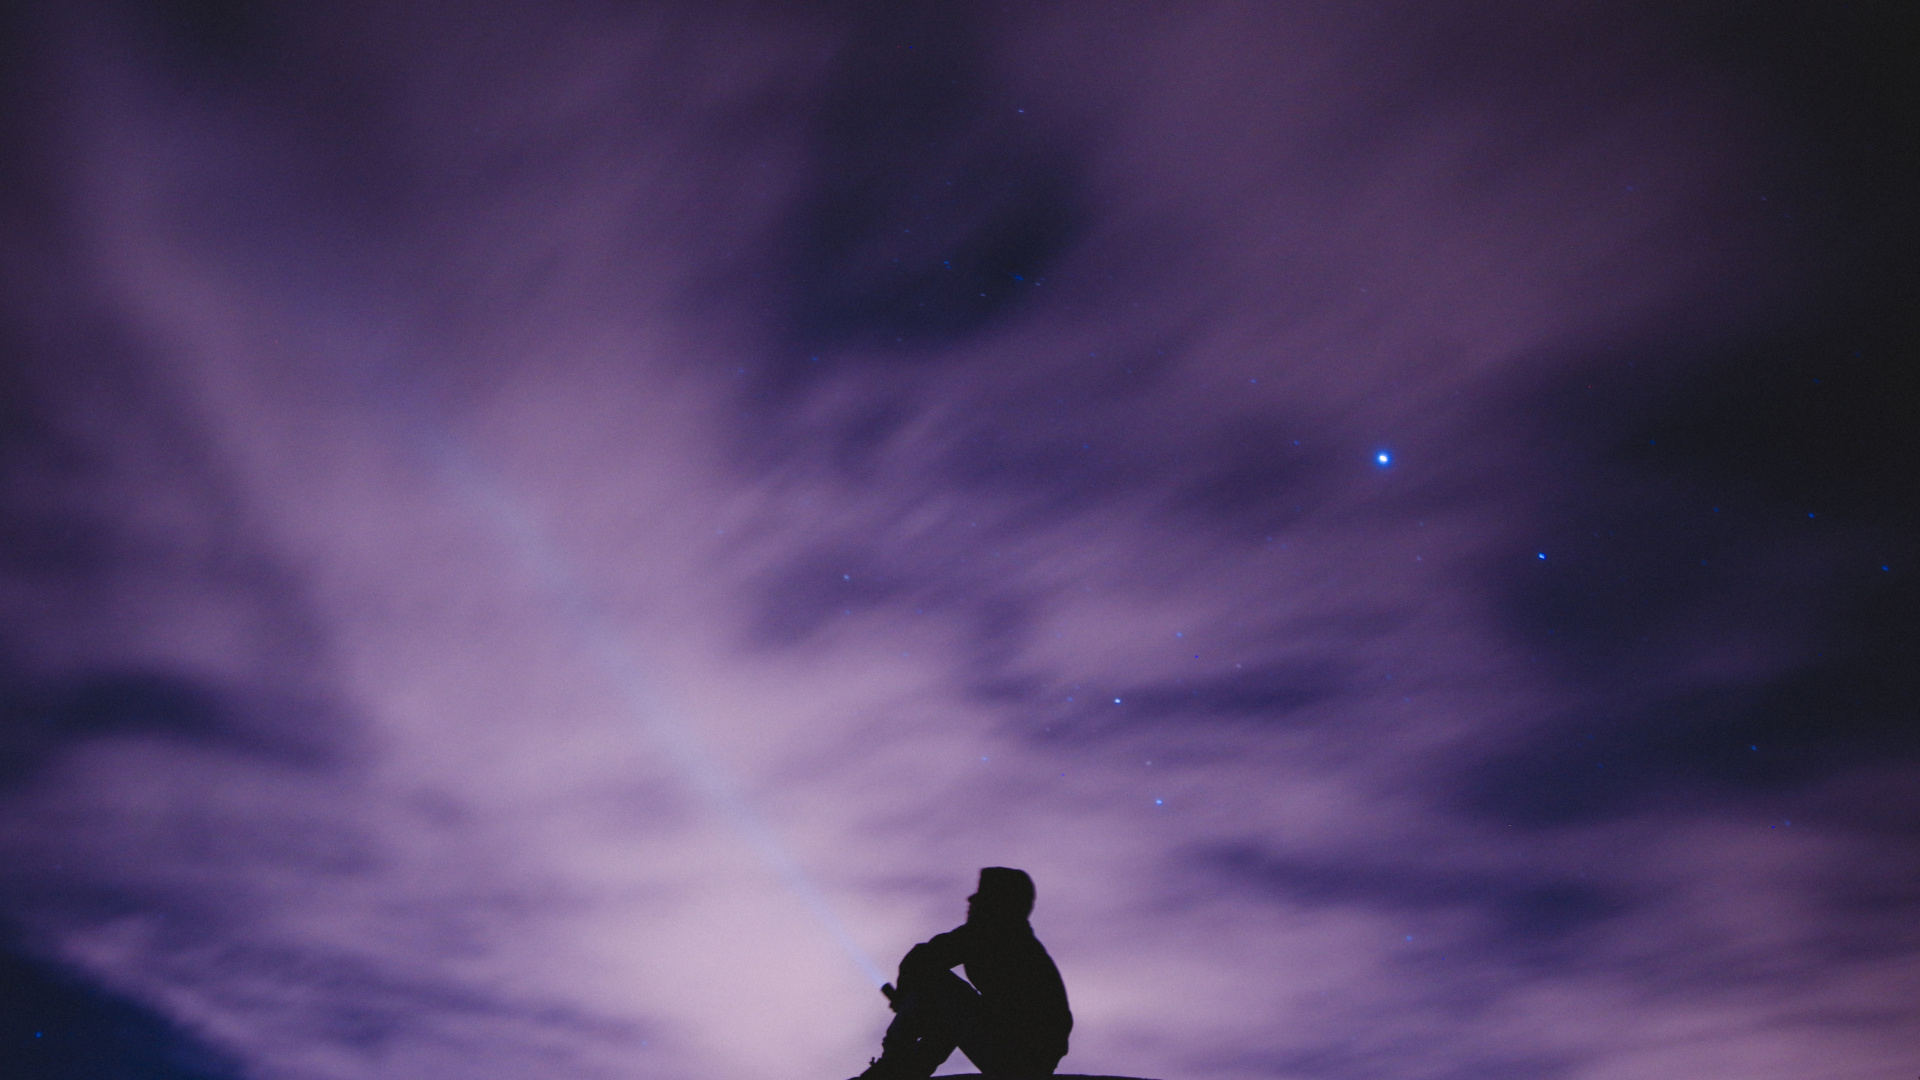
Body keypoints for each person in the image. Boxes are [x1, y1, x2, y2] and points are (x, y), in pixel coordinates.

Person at [852, 867, 1072, 1080]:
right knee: (947, 1003)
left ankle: (894, 1065)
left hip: (1020, 1056)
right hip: (1025, 1054)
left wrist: (904, 999)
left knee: (936, 983)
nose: (970, 900)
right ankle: (908, 1069)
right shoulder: (1010, 938)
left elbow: (921, 958)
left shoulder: (994, 933)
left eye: (981, 895)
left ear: (999, 902)